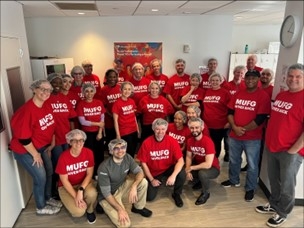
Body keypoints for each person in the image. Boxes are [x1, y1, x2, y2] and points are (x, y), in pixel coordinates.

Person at [255, 63, 303, 228]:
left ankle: (283, 212)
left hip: (290, 151)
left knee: (287, 184)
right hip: (273, 146)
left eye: (298, 76)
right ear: (286, 78)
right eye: (291, 76)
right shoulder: (283, 95)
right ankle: (274, 204)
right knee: (274, 181)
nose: (293, 79)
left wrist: (293, 151)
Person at [10, 79, 62, 215]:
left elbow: (50, 125)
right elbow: (23, 138)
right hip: (25, 150)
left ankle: (48, 197)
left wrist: (50, 145)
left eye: (48, 90)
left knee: (49, 172)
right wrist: (35, 154)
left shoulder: (46, 105)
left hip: (41, 147)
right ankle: (41, 206)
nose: (46, 92)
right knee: (41, 177)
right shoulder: (27, 110)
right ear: (34, 89)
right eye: (42, 89)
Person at [221, 69, 271, 202]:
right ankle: (234, 180)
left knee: (252, 164)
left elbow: (260, 118)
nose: (250, 80)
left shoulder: (263, 96)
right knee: (234, 160)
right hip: (234, 135)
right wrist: (235, 128)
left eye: (253, 78)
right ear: (245, 79)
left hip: (252, 138)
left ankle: (250, 188)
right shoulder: (238, 94)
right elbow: (230, 112)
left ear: (258, 80)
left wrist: (241, 129)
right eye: (248, 78)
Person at [97, 139, 152, 228]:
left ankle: (138, 208)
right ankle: (102, 206)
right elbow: (106, 193)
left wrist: (134, 186)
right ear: (111, 151)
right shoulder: (104, 167)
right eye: (116, 148)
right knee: (125, 224)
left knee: (143, 182)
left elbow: (140, 172)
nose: (120, 151)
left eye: (122, 147)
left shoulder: (127, 157)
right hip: (107, 196)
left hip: (121, 186)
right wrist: (120, 209)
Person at [136, 118, 186, 208]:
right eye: (157, 129)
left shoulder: (172, 141)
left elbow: (181, 161)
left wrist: (173, 175)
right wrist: (151, 179)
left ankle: (177, 194)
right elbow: (143, 163)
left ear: (166, 129)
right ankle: (159, 181)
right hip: (154, 172)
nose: (160, 132)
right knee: (149, 197)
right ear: (153, 129)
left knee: (181, 173)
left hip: (168, 168)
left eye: (163, 129)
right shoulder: (146, 143)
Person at [55, 129, 97, 224]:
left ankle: (90, 210)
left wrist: (80, 190)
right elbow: (64, 180)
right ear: (69, 142)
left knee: (92, 193)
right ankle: (76, 202)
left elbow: (90, 174)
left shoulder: (89, 152)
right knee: (78, 212)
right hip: (66, 187)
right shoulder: (63, 157)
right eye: (75, 140)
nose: (79, 143)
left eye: (81, 140)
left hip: (83, 183)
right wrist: (76, 196)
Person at [46, 73, 77, 198]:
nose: (58, 86)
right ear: (49, 84)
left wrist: (73, 136)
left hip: (66, 138)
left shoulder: (64, 98)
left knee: (67, 163)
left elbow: (71, 118)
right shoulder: (46, 99)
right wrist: (51, 142)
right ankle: (56, 190)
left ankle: (65, 186)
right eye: (55, 83)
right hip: (55, 139)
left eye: (60, 83)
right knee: (57, 165)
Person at [186, 118, 220, 205]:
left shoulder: (208, 141)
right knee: (184, 171)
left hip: (213, 168)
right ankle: (201, 181)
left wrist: (191, 168)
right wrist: (187, 169)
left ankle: (206, 193)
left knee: (202, 173)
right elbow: (188, 156)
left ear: (202, 128)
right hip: (199, 165)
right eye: (192, 128)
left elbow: (208, 165)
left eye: (197, 127)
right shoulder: (190, 140)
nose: (194, 130)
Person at [76, 83, 105, 176]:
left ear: (94, 92)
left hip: (98, 133)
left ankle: (100, 173)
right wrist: (97, 124)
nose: (89, 93)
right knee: (89, 154)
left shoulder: (99, 102)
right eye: (87, 91)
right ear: (83, 92)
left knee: (100, 154)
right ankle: (91, 175)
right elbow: (82, 122)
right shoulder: (81, 104)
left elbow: (102, 119)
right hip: (87, 134)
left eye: (91, 91)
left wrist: (100, 132)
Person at [202, 73, 231, 158]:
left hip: (219, 125)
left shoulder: (225, 93)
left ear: (221, 81)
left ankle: (214, 161)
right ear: (210, 82)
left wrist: (229, 122)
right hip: (206, 124)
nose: (214, 82)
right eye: (213, 80)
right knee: (207, 143)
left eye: (217, 80)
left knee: (216, 144)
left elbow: (231, 109)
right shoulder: (207, 92)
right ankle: (207, 160)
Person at [112, 81, 139, 158]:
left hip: (133, 130)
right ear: (121, 90)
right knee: (127, 152)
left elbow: (134, 116)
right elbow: (115, 121)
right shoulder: (117, 103)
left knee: (133, 150)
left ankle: (131, 167)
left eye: (129, 89)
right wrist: (118, 135)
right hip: (124, 132)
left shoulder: (132, 101)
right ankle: (125, 169)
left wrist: (137, 128)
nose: (127, 91)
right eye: (125, 89)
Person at [97, 69, 121, 150]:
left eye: (114, 77)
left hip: (121, 120)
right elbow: (103, 106)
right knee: (111, 141)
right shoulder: (103, 90)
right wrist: (111, 115)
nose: (112, 79)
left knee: (120, 141)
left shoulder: (120, 88)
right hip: (109, 120)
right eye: (110, 77)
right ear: (106, 78)